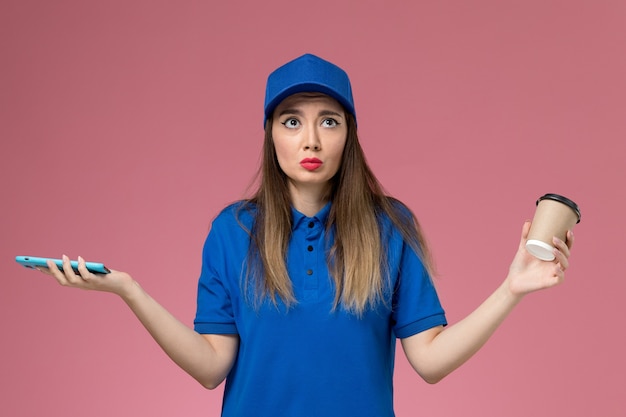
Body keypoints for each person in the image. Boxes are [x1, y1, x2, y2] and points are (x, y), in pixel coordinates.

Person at [38, 54, 574, 417]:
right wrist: (130, 291)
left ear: (350, 135)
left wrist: (511, 289)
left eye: (330, 121)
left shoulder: (390, 226)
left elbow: (430, 362)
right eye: (291, 121)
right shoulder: (233, 231)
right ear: (271, 135)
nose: (311, 138)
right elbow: (211, 367)